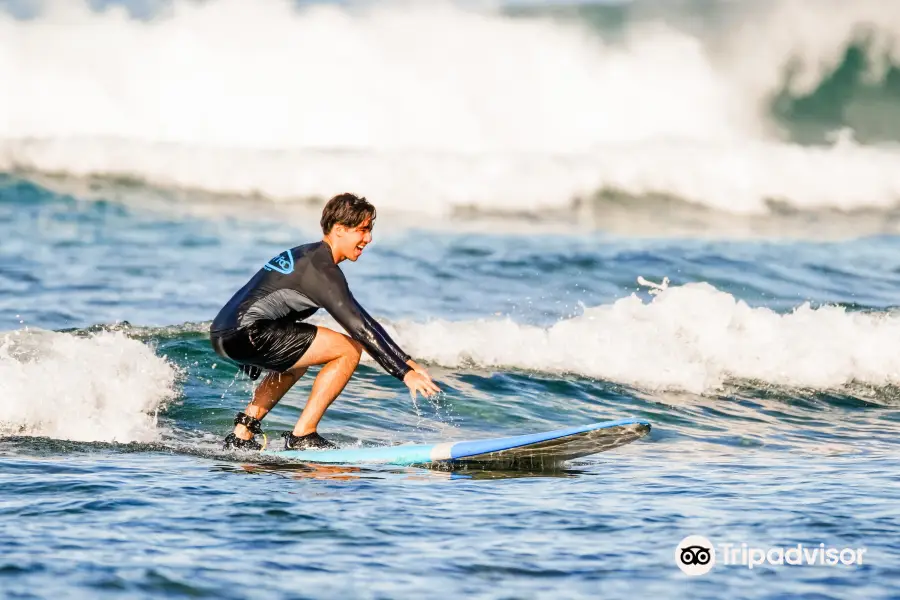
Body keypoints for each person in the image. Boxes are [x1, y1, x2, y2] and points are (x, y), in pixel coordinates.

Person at [209, 193, 441, 451]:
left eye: (370, 231)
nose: (368, 239)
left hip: (224, 333)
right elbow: (360, 329)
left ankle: (243, 432)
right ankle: (303, 435)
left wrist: (406, 361)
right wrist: (403, 374)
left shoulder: (308, 256)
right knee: (348, 349)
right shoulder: (322, 270)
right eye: (363, 230)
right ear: (340, 230)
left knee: (297, 362)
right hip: (250, 332)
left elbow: (363, 319)